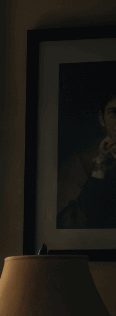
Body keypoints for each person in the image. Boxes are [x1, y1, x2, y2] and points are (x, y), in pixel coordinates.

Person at [57, 84, 116, 230]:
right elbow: (72, 224)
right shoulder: (82, 163)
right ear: (102, 119)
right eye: (114, 113)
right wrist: (100, 167)